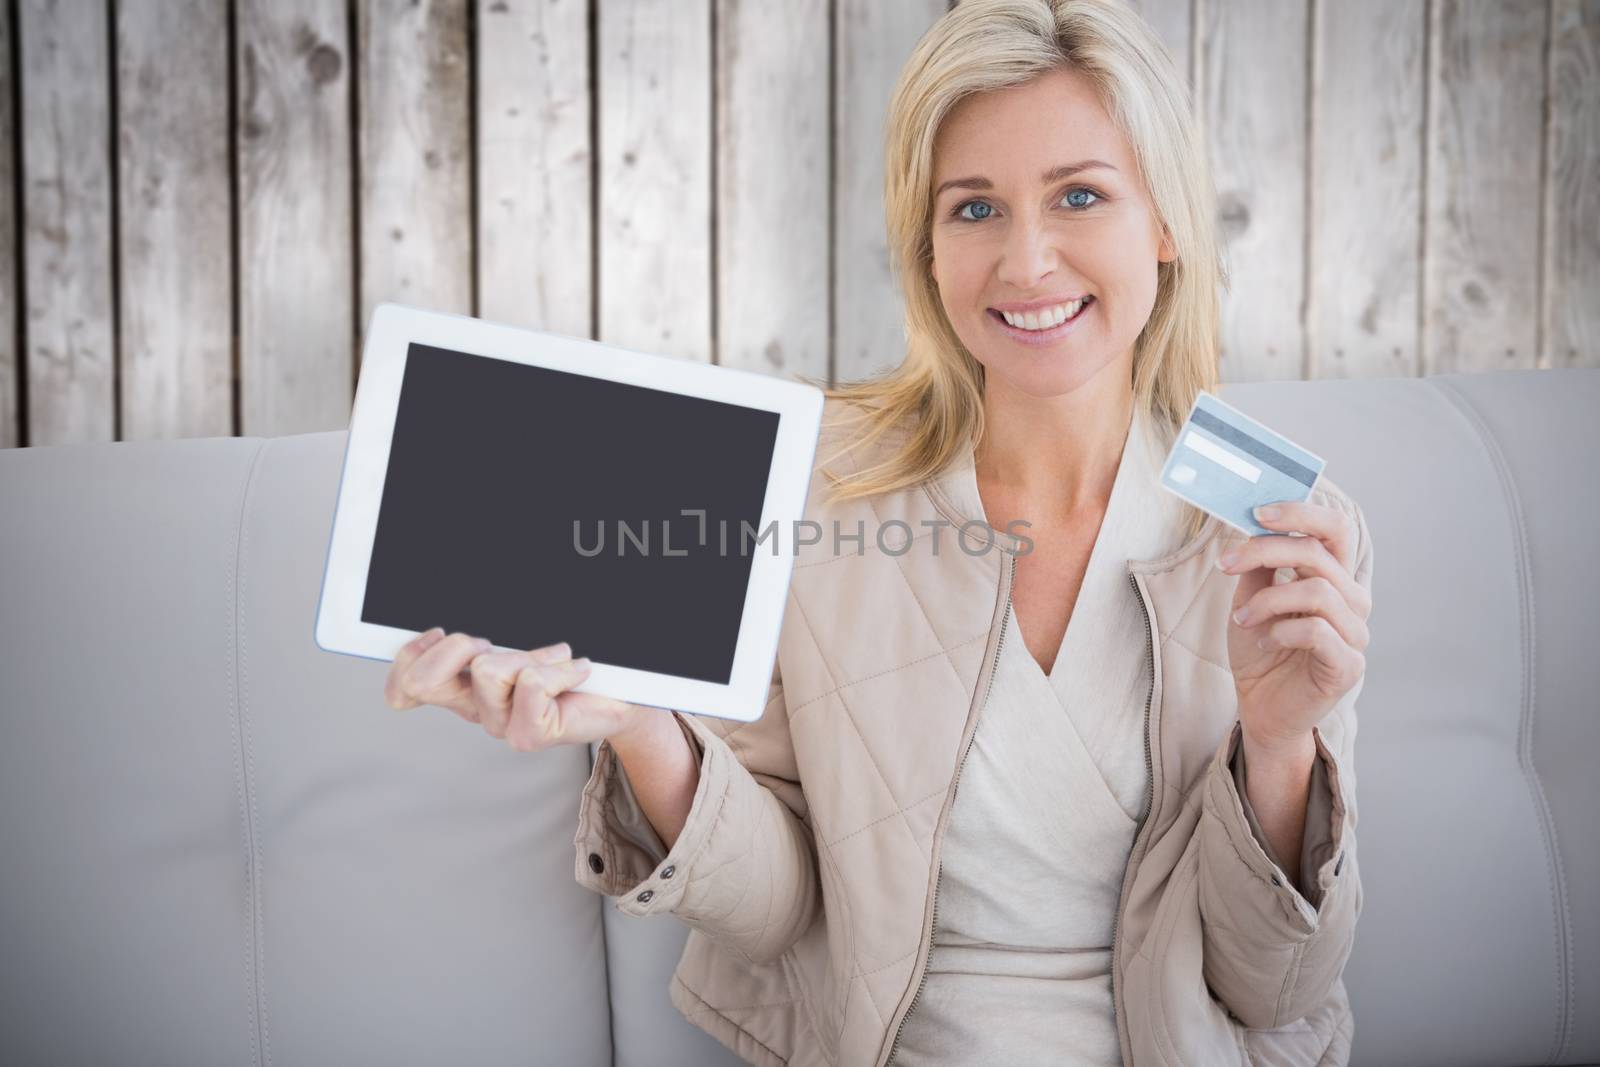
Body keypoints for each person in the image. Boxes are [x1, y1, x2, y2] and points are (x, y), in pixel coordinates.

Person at [384, 1, 1375, 1064]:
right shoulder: (809, 489)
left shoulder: (1282, 540)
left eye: (1080, 195)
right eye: (974, 208)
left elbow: (1272, 986)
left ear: (1166, 223)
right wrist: (640, 722)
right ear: (927, 246)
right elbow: (775, 911)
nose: (1027, 261)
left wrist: (1277, 746)